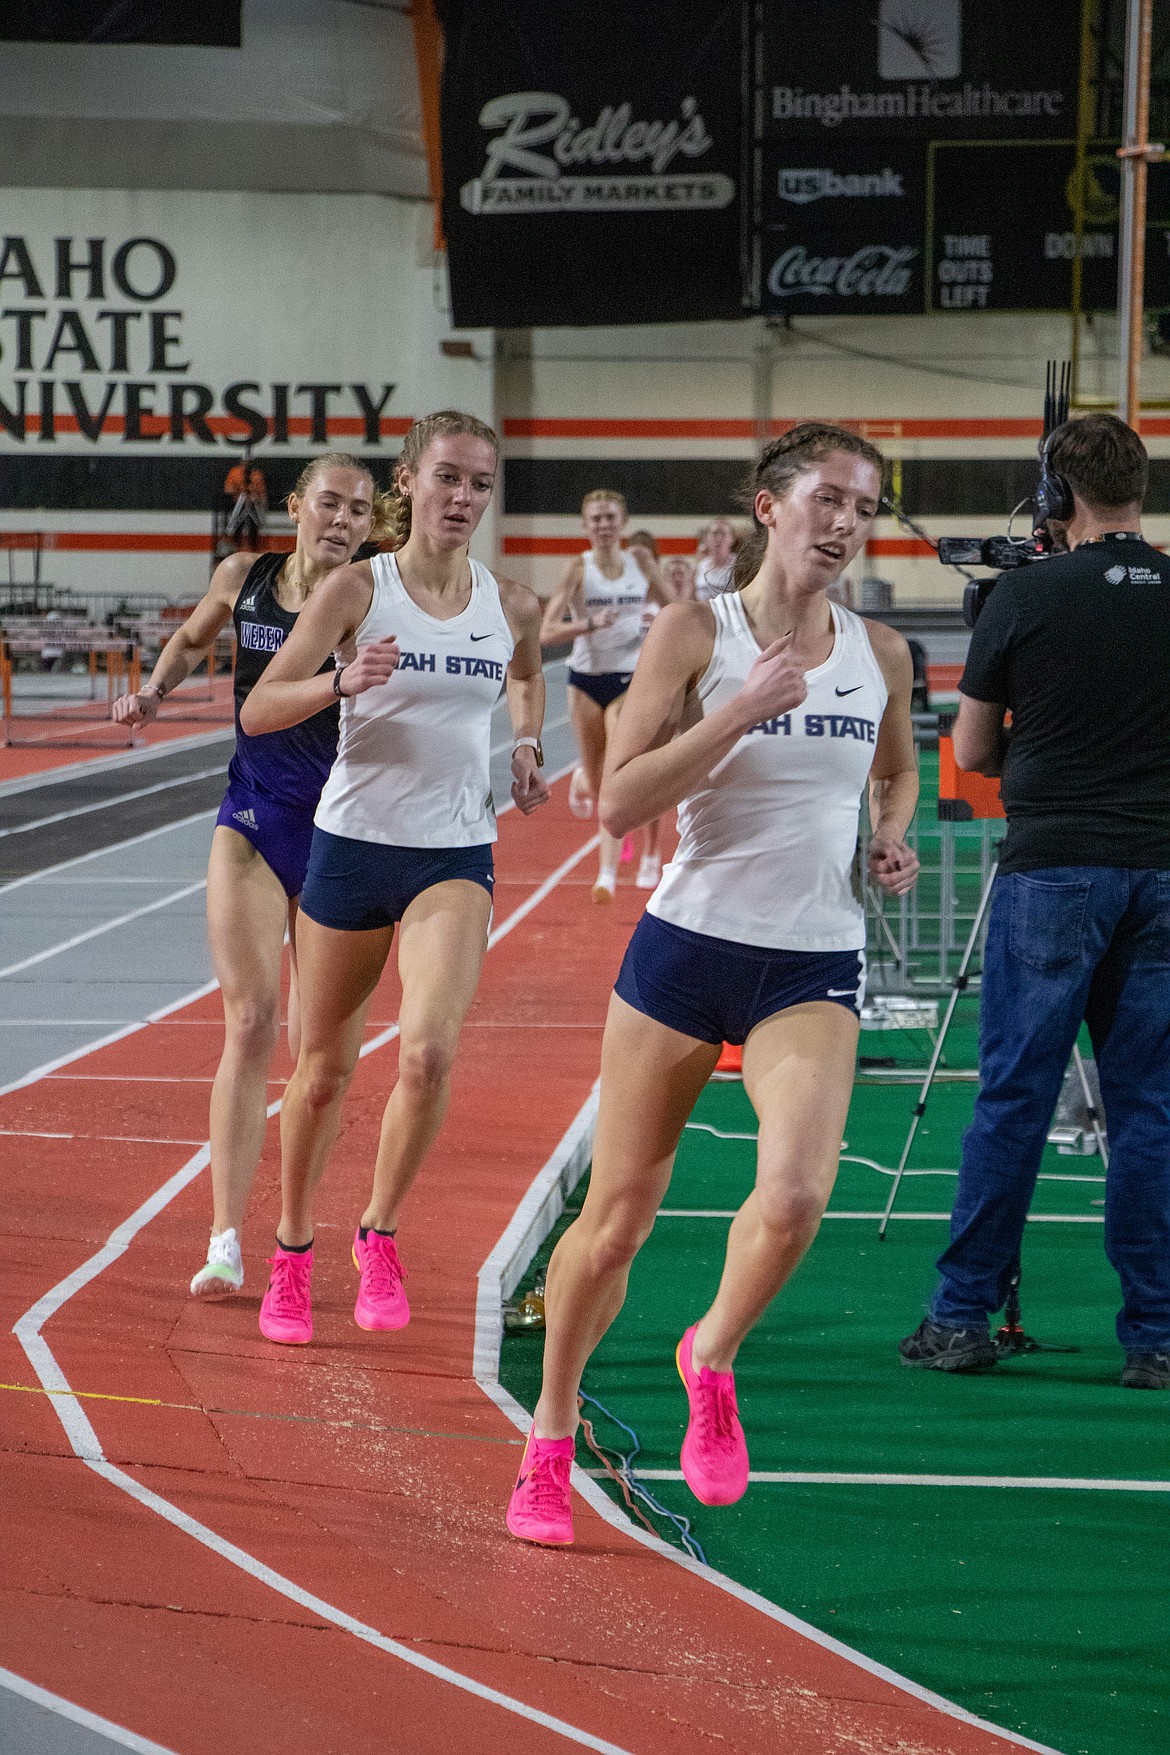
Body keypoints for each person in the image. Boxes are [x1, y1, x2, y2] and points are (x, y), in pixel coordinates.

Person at [507, 423, 920, 1545]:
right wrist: (738, 710)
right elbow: (624, 798)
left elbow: (897, 773)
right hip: (687, 950)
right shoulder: (699, 629)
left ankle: (713, 1353)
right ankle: (548, 1436)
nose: (845, 521)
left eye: (865, 506)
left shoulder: (880, 654)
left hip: (813, 961)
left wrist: (890, 835)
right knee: (617, 1219)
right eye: (828, 498)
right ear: (771, 505)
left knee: (792, 1199)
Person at [239, 410, 549, 1346]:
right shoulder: (353, 590)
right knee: (322, 1074)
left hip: (453, 852)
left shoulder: (514, 602)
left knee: (427, 1052)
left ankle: (379, 1231)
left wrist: (527, 740)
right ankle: (292, 1251)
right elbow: (259, 708)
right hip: (351, 844)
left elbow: (526, 671)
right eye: (449, 478)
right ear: (409, 483)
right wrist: (341, 681)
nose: (464, 499)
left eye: (481, 485)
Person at [900, 412, 1170, 1390]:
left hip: (1053, 866)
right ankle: (1158, 1336)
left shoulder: (1025, 595)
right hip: (1163, 870)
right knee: (1152, 1110)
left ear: (1058, 501)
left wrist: (1052, 761)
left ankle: (961, 1318)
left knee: (1014, 1097)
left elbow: (972, 754)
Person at [113, 454, 388, 1296]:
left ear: (372, 527)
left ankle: (294, 1231)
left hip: (340, 834)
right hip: (253, 819)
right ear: (298, 506)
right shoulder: (246, 575)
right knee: (250, 1019)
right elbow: (195, 638)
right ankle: (225, 1236)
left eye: (359, 511)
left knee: (320, 1055)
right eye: (329, 504)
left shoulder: (374, 601)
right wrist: (154, 693)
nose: (341, 521)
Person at [540, 490, 669, 898]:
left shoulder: (641, 562)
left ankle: (606, 875)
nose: (603, 525)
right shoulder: (578, 568)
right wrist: (589, 624)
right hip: (585, 678)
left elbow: (678, 609)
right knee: (599, 784)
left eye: (610, 517)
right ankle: (583, 780)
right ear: (585, 526)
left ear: (623, 522)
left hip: (629, 677)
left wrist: (656, 627)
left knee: (621, 760)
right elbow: (547, 633)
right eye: (595, 518)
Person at [224, 449, 268, 552]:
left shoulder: (257, 475)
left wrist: (260, 501)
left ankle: (254, 546)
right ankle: (235, 545)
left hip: (253, 505)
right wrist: (239, 494)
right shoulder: (234, 473)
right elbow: (228, 489)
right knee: (237, 525)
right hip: (238, 504)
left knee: (254, 527)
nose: (247, 465)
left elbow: (261, 492)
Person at [692, 516, 737, 602]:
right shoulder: (701, 565)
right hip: (704, 612)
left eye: (723, 533)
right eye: (714, 533)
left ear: (732, 539)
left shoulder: (738, 564)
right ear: (706, 538)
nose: (718, 538)